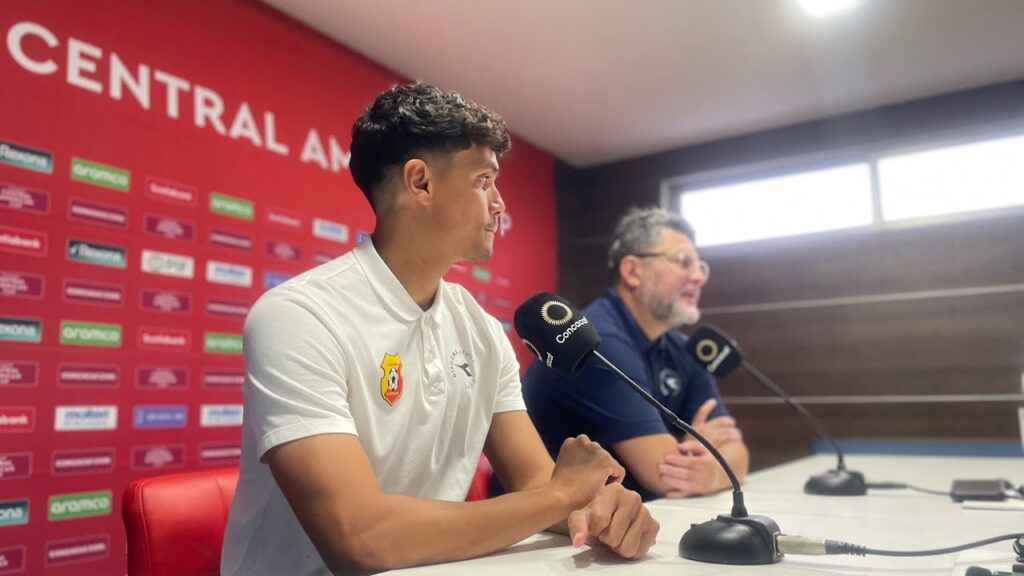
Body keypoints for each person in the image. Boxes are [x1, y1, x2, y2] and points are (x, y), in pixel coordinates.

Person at [220, 84, 659, 576]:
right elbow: (360, 537)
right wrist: (563, 495)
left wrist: (599, 509)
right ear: (421, 183)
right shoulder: (297, 316)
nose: (499, 204)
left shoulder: (482, 330)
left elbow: (535, 481)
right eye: (483, 180)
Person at [523, 207, 749, 501]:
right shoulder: (596, 341)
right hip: (548, 535)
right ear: (632, 271)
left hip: (630, 520)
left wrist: (716, 470)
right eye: (683, 262)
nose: (698, 277)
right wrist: (704, 449)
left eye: (700, 267)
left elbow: (738, 451)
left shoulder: (683, 349)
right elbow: (664, 474)